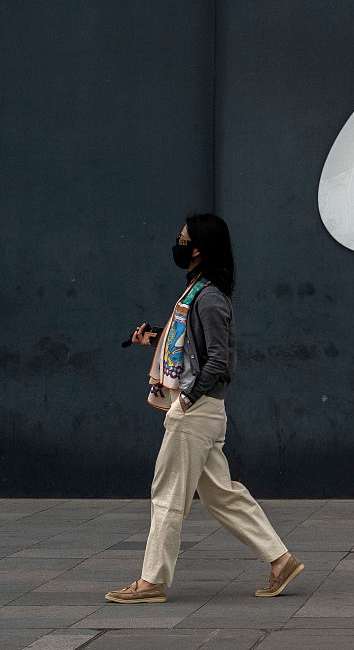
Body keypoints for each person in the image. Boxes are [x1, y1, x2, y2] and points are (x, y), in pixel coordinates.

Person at [105, 214, 303, 604]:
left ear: (197, 250)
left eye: (183, 239)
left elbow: (220, 361)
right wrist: (155, 339)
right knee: (222, 495)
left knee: (167, 494)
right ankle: (281, 561)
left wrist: (186, 400)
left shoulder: (208, 298)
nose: (177, 244)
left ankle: (151, 582)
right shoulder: (200, 291)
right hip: (204, 410)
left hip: (196, 411)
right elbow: (191, 346)